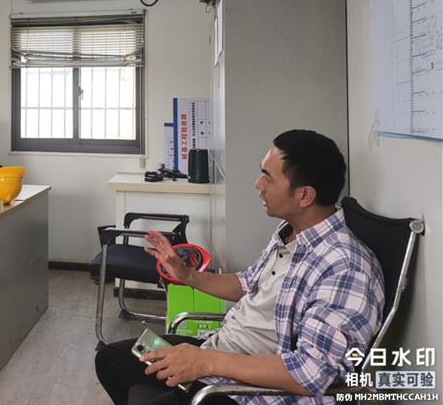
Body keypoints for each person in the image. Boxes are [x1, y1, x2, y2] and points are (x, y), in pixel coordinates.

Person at [95, 129, 385, 405]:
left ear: (304, 195)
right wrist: (187, 275)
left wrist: (204, 362)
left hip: (250, 389)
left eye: (268, 177)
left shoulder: (345, 268)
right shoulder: (291, 232)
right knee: (112, 360)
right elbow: (248, 283)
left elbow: (310, 373)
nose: (258, 185)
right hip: (221, 350)